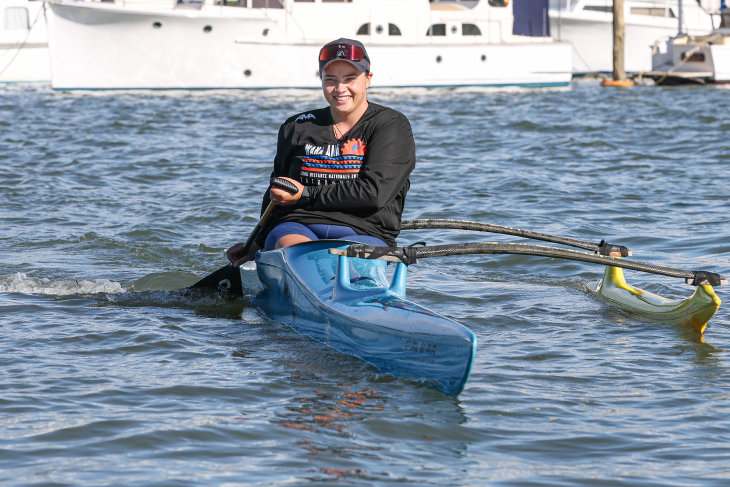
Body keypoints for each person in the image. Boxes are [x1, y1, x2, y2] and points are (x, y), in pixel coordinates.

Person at [226, 38, 416, 267]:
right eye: (330, 80)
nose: (340, 89)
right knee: (302, 256)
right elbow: (275, 193)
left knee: (335, 266)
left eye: (350, 79)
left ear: (368, 79)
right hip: (297, 225)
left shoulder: (390, 125)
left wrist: (305, 194)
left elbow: (374, 194)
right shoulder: (296, 126)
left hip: (364, 231)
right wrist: (254, 244)